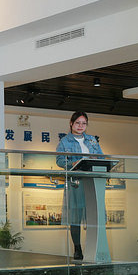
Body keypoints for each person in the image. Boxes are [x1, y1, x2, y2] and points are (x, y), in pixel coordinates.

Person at [56, 111, 104, 261]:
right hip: (76, 183)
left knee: (93, 215)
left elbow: (101, 156)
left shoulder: (92, 140)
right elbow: (59, 161)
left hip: (92, 182)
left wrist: (97, 158)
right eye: (77, 123)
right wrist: (74, 163)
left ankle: (93, 247)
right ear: (71, 123)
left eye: (84, 123)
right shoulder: (65, 142)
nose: (80, 126)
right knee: (75, 217)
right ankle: (77, 249)